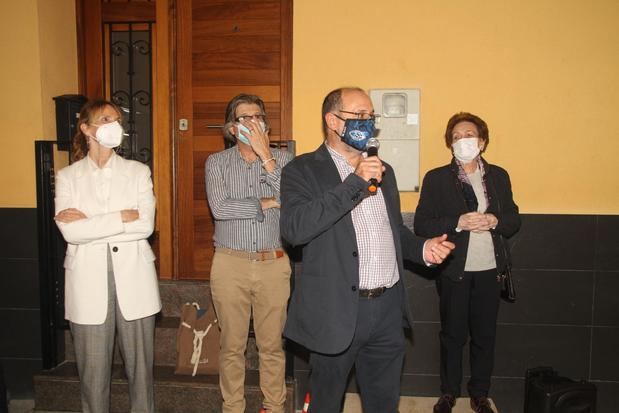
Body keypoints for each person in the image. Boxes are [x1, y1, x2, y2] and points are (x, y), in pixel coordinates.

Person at [280, 87, 455, 413]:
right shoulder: (302, 170)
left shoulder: (382, 170)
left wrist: (423, 249)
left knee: (383, 404)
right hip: (336, 311)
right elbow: (295, 230)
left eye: (370, 117)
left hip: (387, 310)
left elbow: (394, 233)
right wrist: (355, 183)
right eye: (358, 116)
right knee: (326, 404)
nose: (367, 123)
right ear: (332, 121)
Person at [54, 99, 160, 413]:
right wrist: (119, 217)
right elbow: (71, 233)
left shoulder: (138, 171)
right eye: (104, 119)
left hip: (135, 282)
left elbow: (144, 226)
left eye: (116, 119)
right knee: (92, 375)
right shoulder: (67, 177)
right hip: (87, 283)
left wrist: (90, 221)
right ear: (86, 128)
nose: (113, 124)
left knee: (141, 374)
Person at [414, 112, 520, 413]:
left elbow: (514, 220)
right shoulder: (436, 178)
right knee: (452, 335)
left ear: (482, 141)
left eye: (469, 135)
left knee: (485, 335)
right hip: (454, 270)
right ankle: (448, 393)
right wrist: (457, 222)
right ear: (450, 144)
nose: (463, 141)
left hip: (490, 270)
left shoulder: (498, 176)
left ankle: (479, 394)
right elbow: (422, 224)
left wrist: (495, 219)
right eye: (457, 136)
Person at [205, 94, 294, 413]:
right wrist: (265, 203)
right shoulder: (216, 162)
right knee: (232, 346)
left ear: (266, 123)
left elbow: (294, 201)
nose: (251, 122)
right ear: (232, 127)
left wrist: (266, 157)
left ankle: (274, 406)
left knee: (272, 346)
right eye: (244, 118)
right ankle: (233, 407)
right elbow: (220, 207)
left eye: (257, 116)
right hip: (231, 263)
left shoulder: (284, 161)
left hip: (274, 263)